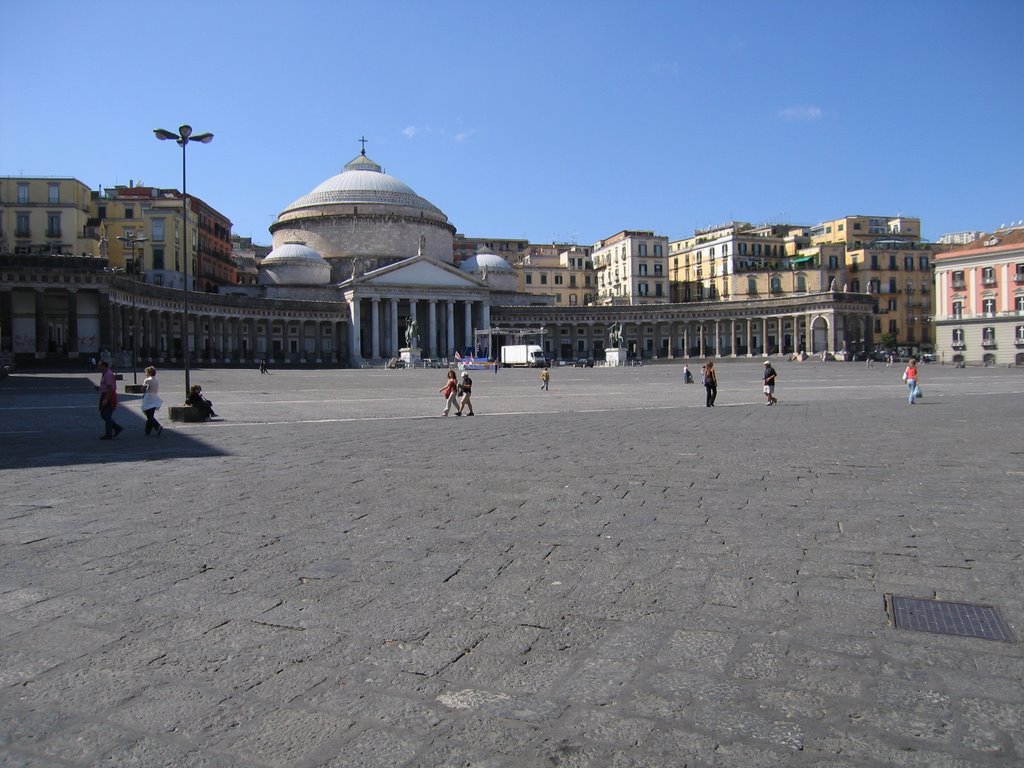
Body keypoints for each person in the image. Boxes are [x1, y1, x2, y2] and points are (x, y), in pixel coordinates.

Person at [97, 360, 123, 439]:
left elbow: (109, 388)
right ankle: (116, 428)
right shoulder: (105, 373)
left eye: (99, 366)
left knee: (106, 415)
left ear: (104, 366)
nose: (98, 367)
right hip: (105, 394)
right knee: (104, 415)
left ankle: (109, 433)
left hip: (109, 395)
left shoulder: (108, 374)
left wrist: (106, 399)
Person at [140, 365, 164, 436]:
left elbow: (142, 389)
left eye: (146, 372)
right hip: (154, 397)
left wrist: (142, 389)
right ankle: (147, 431)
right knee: (150, 415)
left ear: (149, 372)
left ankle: (157, 426)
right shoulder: (156, 380)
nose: (145, 374)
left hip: (148, 398)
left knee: (149, 415)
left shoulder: (147, 379)